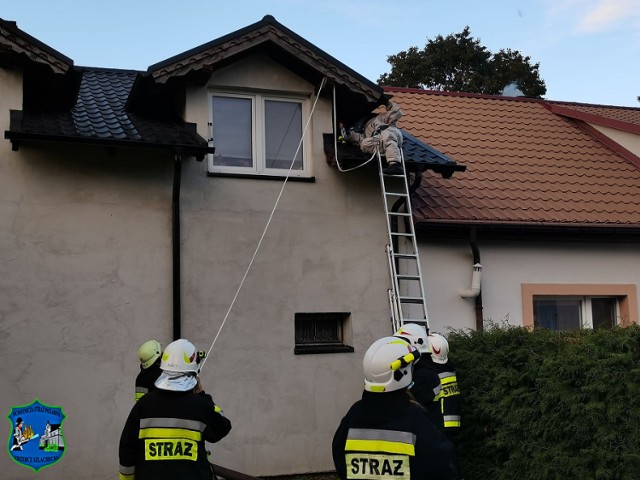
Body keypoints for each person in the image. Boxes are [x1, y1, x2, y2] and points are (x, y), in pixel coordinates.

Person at [332, 336, 459, 480]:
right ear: (402, 373)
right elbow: (443, 466)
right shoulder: (416, 420)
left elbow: (339, 455)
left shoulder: (353, 415)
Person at [119, 339, 232, 480]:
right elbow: (223, 426)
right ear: (193, 372)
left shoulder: (144, 404)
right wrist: (202, 394)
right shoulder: (200, 405)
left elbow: (127, 447)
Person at [395, 327, 461, 447]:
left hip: (438, 425)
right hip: (450, 425)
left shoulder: (427, 375)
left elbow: (413, 399)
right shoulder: (449, 370)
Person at [340, 99, 405, 175]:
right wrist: (346, 133)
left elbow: (395, 113)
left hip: (392, 134)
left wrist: (388, 104)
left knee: (385, 134)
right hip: (380, 143)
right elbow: (358, 138)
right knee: (364, 143)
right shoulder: (365, 131)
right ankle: (387, 153)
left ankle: (395, 164)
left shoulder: (380, 118)